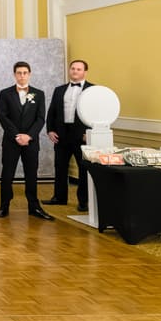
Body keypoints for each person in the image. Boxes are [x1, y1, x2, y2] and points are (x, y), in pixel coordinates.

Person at [0, 61, 53, 221]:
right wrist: (17, 135)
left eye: (25, 73)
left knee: (31, 174)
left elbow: (41, 118)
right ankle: (4, 205)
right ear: (14, 74)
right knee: (7, 174)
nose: (22, 75)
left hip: (31, 141)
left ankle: (34, 207)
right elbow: (3, 117)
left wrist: (29, 136)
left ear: (29, 74)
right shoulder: (5, 93)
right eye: (19, 73)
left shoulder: (39, 93)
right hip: (11, 140)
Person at [44, 60, 94, 212]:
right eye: (73, 68)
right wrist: (50, 130)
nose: (75, 71)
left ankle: (83, 201)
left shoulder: (93, 90)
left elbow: (97, 112)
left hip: (82, 135)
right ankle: (59, 197)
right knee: (60, 167)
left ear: (85, 72)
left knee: (83, 169)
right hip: (61, 134)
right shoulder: (59, 90)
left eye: (79, 69)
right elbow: (52, 112)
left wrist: (90, 132)